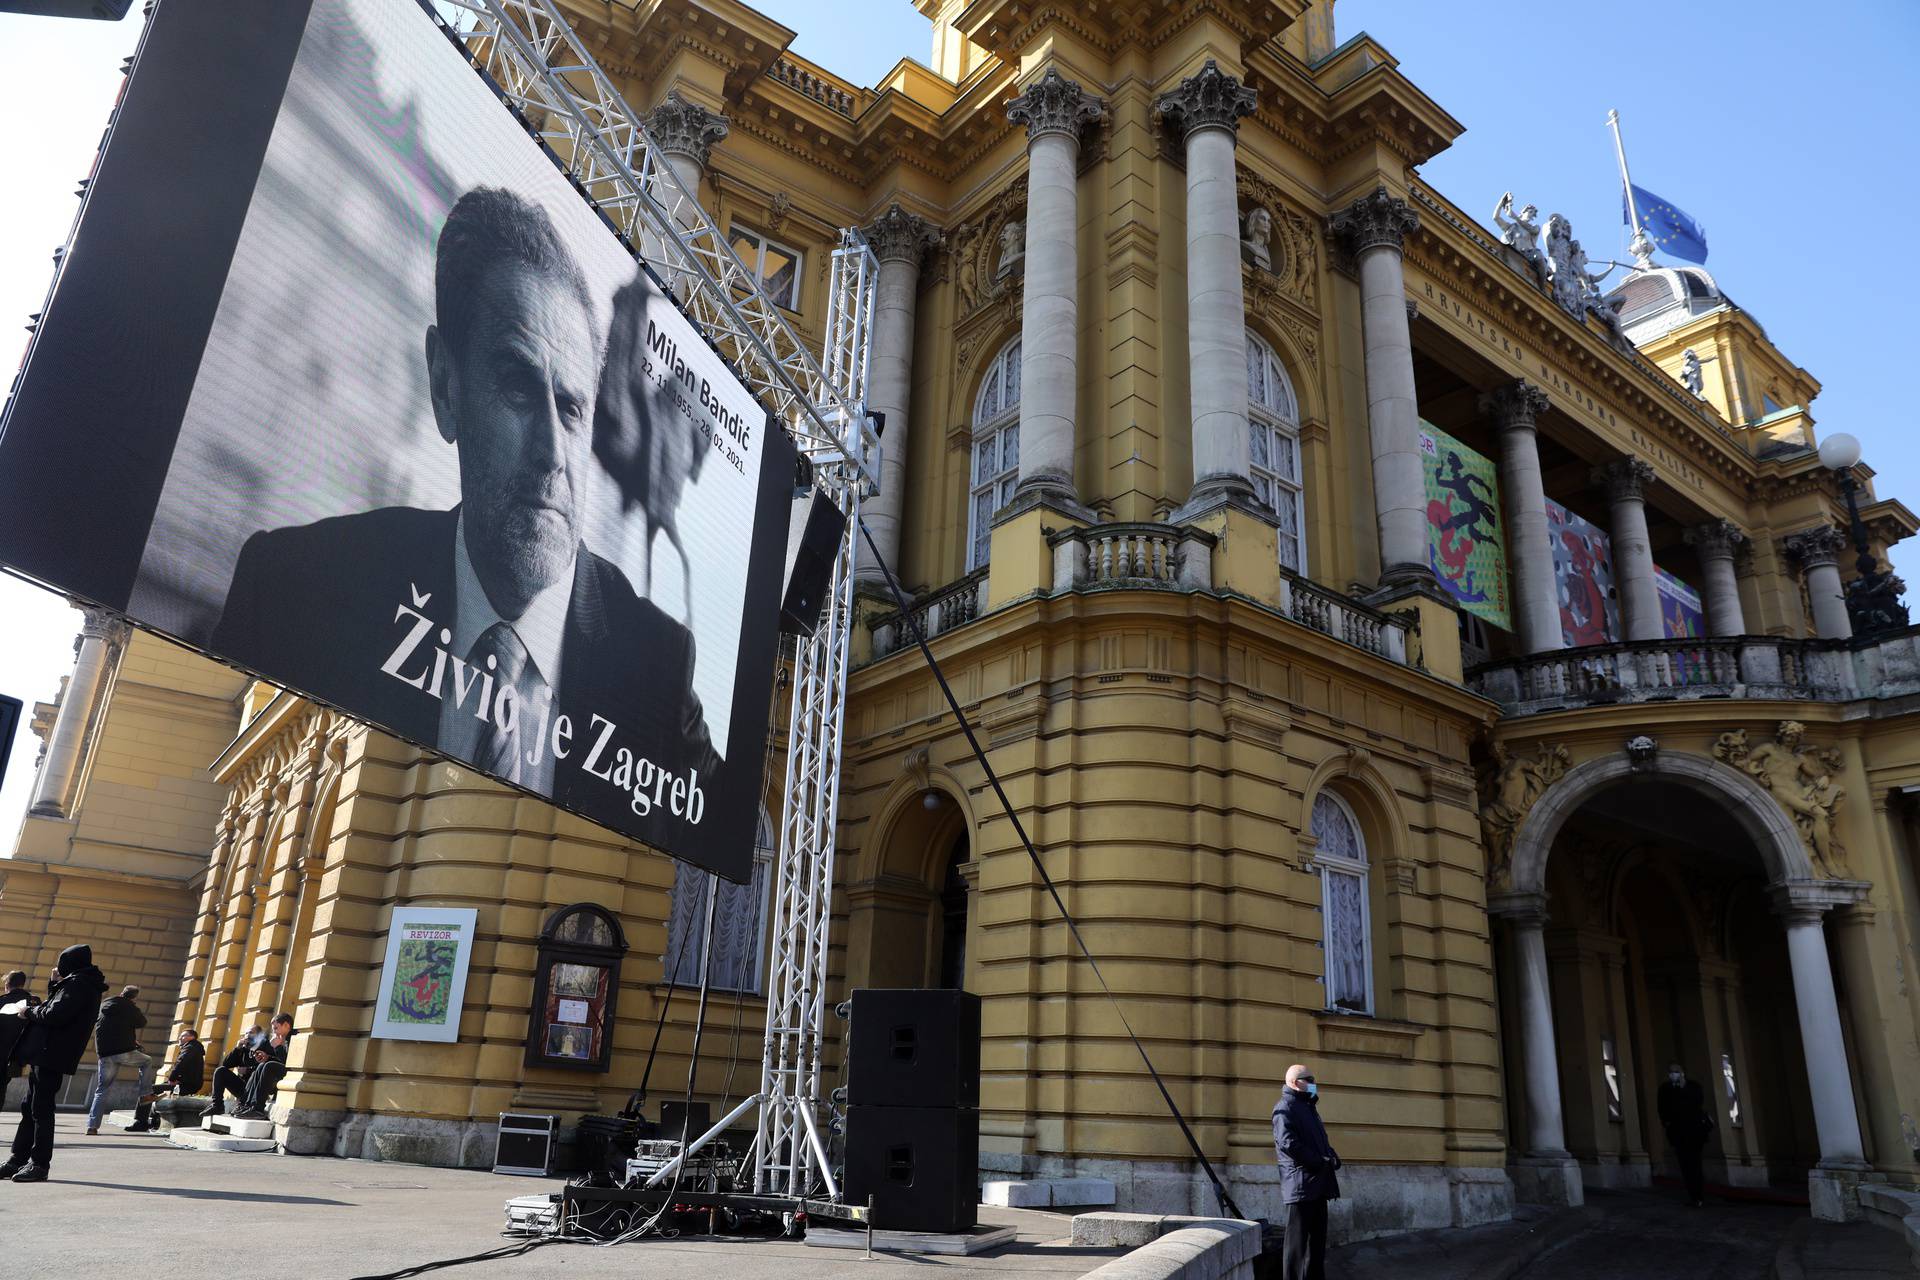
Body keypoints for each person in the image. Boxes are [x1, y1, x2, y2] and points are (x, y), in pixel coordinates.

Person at [209, 186, 721, 806]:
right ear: (446, 386)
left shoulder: (659, 667)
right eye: (518, 390)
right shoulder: (293, 588)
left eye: (571, 408)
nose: (552, 452)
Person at [2, 944, 107, 1181]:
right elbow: (55, 1007)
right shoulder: (78, 983)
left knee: (41, 1109)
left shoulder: (79, 984)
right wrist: (55, 985)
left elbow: (54, 1015)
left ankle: (39, 1164)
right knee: (30, 1108)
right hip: (48, 1052)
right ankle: (17, 1160)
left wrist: (27, 1012)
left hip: (52, 1053)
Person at [1273, 1063, 1341, 1280]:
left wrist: (1332, 1156)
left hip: (1318, 1184)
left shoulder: (1309, 1107)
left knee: (1317, 1244)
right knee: (1296, 1246)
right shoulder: (1285, 1108)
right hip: (1300, 1186)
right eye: (1308, 1079)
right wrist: (1318, 1161)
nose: (1313, 1083)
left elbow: (1320, 1141)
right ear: (1294, 1083)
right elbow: (1287, 1143)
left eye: (1313, 1079)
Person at [85, 984, 153, 1136]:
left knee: (101, 1090)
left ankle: (92, 1127)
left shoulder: (105, 1004)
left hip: (104, 1053)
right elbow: (142, 1023)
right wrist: (133, 1007)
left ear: (122, 993)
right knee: (147, 1061)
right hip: (124, 1051)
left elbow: (112, 1027)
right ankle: (146, 1094)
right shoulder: (130, 1007)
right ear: (134, 997)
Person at [208, 1013, 293, 1118]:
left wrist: (271, 1053)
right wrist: (237, 1048)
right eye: (246, 1033)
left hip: (261, 1086)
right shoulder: (244, 1048)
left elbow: (285, 1063)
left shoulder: (271, 1044)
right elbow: (226, 1064)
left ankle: (252, 1107)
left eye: (251, 1033)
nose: (247, 1036)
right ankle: (217, 1105)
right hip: (245, 1088)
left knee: (263, 1067)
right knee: (220, 1071)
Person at [1658, 1061, 1713, 1207]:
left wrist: (1682, 1089)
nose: (1673, 1074)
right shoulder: (1665, 1089)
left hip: (1695, 1133)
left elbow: (1697, 1103)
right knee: (1685, 1165)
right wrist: (1667, 1123)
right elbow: (1662, 1108)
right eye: (1671, 1071)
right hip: (1678, 1133)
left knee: (1695, 1163)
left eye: (1676, 1071)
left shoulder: (1693, 1087)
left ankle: (1699, 1195)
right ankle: (1693, 1196)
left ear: (1682, 1072)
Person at [128, 1027, 205, 1132]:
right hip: (187, 1083)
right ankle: (151, 1118)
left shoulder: (190, 1048)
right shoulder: (193, 1047)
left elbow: (180, 1064)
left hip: (186, 1084)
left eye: (183, 1036)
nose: (179, 1038)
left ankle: (141, 1122)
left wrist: (172, 1079)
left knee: (148, 1090)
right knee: (155, 1092)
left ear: (191, 1037)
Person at [233, 1019, 295, 1120]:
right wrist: (267, 1058)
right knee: (261, 1066)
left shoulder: (294, 1037)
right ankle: (247, 1105)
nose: (274, 1031)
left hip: (294, 1074)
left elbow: (289, 1062)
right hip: (280, 1072)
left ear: (286, 1025)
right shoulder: (281, 1038)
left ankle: (258, 1108)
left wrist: (278, 1047)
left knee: (267, 1066)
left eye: (276, 1028)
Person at [0, 971, 38, 1082]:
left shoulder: (2, 1001)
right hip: (18, 1056)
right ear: (22, 984)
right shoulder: (34, 1002)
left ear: (7, 985)